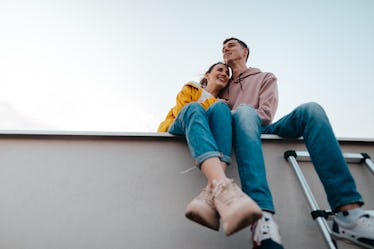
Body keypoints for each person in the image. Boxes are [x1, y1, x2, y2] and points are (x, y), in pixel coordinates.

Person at [220, 37, 374, 249]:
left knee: (312, 109)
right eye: (223, 47)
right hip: (239, 129)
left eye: (231, 45)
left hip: (264, 127)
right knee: (245, 112)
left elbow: (266, 114)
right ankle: (261, 218)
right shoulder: (221, 83)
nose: (225, 49)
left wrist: (235, 112)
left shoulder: (265, 77)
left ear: (245, 51)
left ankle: (349, 214)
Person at [158, 62, 262, 236]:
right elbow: (183, 110)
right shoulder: (191, 88)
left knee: (222, 109)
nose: (224, 73)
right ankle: (225, 189)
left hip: (204, 131)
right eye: (219, 70)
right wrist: (211, 103)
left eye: (227, 73)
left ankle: (211, 192)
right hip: (178, 125)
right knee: (194, 107)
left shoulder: (221, 104)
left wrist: (219, 105)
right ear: (207, 75)